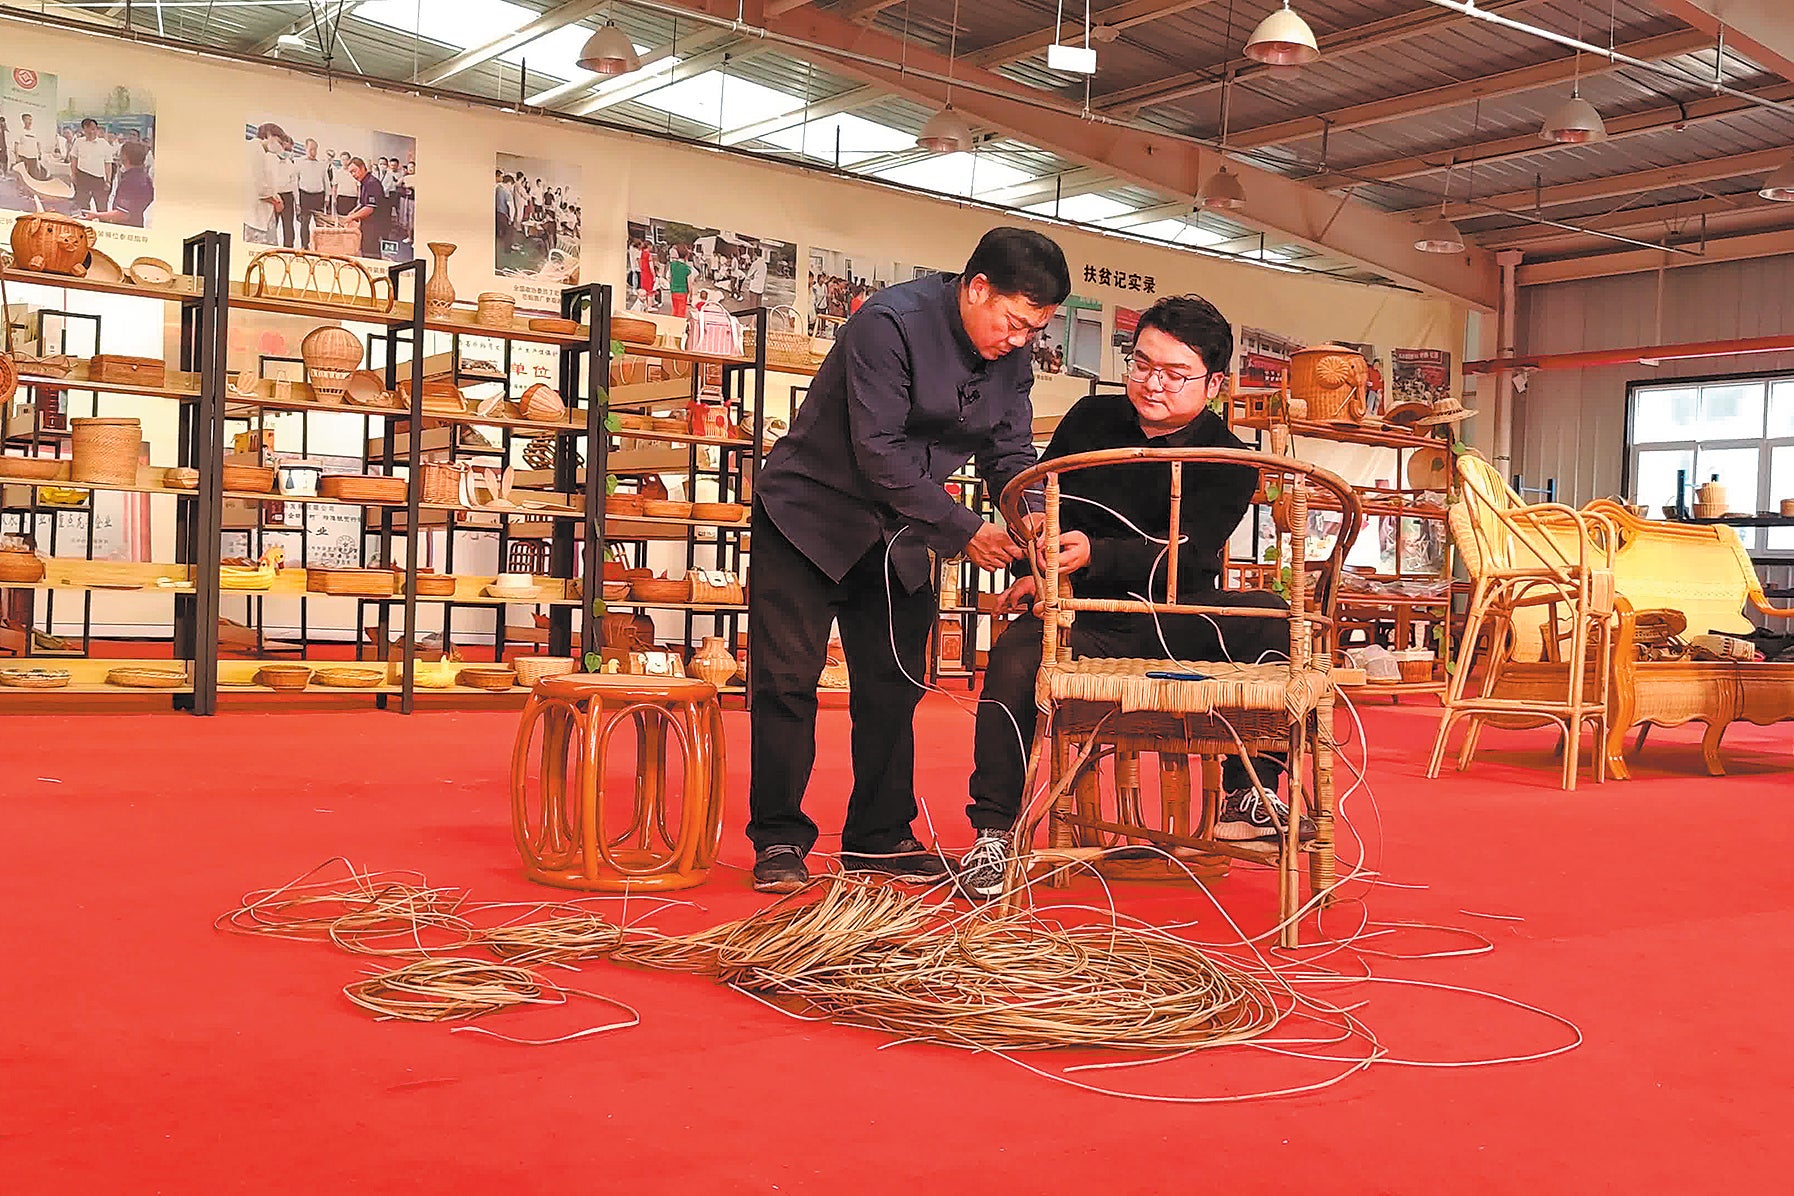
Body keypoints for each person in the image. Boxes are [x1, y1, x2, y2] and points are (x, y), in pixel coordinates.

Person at [747, 226, 1070, 894]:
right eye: (1012, 323)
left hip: (901, 530)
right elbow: (880, 451)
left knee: (892, 686)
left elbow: (1009, 454)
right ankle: (779, 838)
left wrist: (1028, 509)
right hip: (808, 517)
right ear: (977, 288)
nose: (1017, 341)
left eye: (1031, 330)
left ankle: (878, 839)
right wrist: (963, 530)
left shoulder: (1012, 359)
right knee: (786, 685)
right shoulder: (889, 323)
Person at [957, 294, 1299, 898]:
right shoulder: (1090, 420)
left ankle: (1252, 790)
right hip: (1090, 615)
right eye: (1141, 364)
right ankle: (993, 835)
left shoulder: (1231, 459)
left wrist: (1098, 551)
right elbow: (1048, 505)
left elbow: (1190, 556)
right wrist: (1049, 569)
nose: (1152, 383)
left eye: (1174, 373)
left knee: (1273, 618)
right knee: (1016, 653)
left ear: (1214, 382)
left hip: (1179, 618)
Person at [88, 139, 153, 226]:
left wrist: (96, 215)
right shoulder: (145, 178)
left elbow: (123, 214)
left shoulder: (130, 181)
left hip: (127, 227)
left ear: (125, 156)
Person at [246, 122, 287, 243]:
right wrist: (275, 202)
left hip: (265, 213)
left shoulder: (263, 152)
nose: (281, 148)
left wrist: (276, 197)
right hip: (256, 216)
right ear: (269, 134)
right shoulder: (254, 149)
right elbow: (258, 187)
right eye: (279, 142)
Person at [69, 118, 115, 213]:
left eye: (94, 128)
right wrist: (73, 175)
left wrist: (108, 181)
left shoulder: (103, 144)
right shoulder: (78, 142)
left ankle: (103, 224)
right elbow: (74, 160)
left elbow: (108, 164)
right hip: (82, 176)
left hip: (98, 178)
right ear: (84, 129)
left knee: (101, 205)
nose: (92, 131)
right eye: (89, 128)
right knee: (82, 204)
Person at [343, 157, 385, 260]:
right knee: (365, 249)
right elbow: (362, 203)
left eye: (354, 171)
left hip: (374, 224)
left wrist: (352, 217)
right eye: (351, 173)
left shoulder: (372, 183)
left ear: (362, 168)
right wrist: (353, 212)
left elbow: (370, 207)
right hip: (367, 224)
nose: (353, 175)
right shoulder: (364, 182)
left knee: (371, 252)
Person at [294, 139, 328, 250]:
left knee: (320, 223)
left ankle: (321, 245)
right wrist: (297, 201)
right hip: (304, 195)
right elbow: (295, 182)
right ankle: (305, 246)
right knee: (304, 223)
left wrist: (327, 197)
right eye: (311, 149)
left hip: (318, 196)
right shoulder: (298, 162)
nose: (313, 152)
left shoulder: (322, 164)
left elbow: (326, 181)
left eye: (315, 149)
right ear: (306, 149)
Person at [11, 112, 47, 181]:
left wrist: (39, 153)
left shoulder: (35, 132)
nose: (29, 121)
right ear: (23, 120)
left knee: (34, 175)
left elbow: (38, 143)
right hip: (23, 156)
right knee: (22, 175)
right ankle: (21, 189)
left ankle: (32, 189)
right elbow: (16, 145)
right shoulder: (20, 131)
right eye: (27, 119)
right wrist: (17, 157)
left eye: (30, 120)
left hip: (33, 156)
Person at [668, 245, 692, 317]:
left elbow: (669, 277)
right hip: (683, 292)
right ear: (686, 256)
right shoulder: (687, 269)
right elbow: (689, 284)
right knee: (681, 312)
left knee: (675, 310)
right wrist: (690, 295)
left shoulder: (672, 265)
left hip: (674, 290)